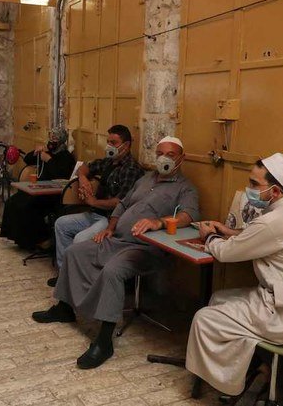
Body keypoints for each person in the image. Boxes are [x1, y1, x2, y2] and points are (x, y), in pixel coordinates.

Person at [32, 136, 200, 369]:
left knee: (113, 271)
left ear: (182, 158)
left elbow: (189, 216)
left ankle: (103, 341)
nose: (165, 158)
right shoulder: (145, 179)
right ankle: (64, 308)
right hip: (118, 238)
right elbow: (122, 204)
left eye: (171, 155)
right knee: (75, 252)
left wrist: (158, 222)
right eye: (161, 153)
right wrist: (110, 228)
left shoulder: (185, 188)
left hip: (145, 247)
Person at [186, 153, 283, 396]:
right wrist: (229, 230)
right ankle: (250, 366)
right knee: (219, 299)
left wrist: (209, 235)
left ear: (274, 192)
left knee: (204, 318)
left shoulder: (273, 223)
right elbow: (261, 237)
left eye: (254, 184)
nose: (249, 189)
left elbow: (226, 253)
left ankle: (226, 385)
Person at [49, 125, 143, 286]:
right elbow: (84, 168)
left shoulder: (131, 169)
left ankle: (78, 281)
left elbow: (120, 202)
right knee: (61, 224)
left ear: (126, 145)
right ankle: (65, 274)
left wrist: (93, 202)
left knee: (80, 239)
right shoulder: (108, 161)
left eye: (113, 142)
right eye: (108, 142)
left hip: (110, 219)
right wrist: (83, 179)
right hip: (94, 214)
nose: (109, 146)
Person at [0, 127, 76, 250]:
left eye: (55, 138)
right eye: (51, 137)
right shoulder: (48, 152)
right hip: (39, 190)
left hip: (53, 194)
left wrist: (49, 160)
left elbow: (60, 174)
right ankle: (17, 238)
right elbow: (27, 159)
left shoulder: (65, 157)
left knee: (27, 206)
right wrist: (36, 152)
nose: (52, 140)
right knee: (13, 201)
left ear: (61, 140)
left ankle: (38, 240)